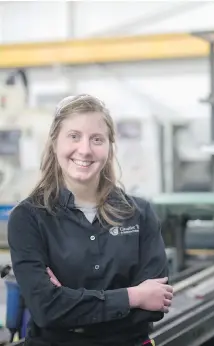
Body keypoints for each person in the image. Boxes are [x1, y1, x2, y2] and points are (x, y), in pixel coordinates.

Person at [7, 94, 173, 346]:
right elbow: (46, 308)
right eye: (74, 136)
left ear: (109, 146)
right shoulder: (28, 218)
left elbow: (154, 306)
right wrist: (133, 296)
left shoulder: (139, 213)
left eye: (97, 139)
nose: (84, 150)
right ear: (54, 143)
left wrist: (68, 301)